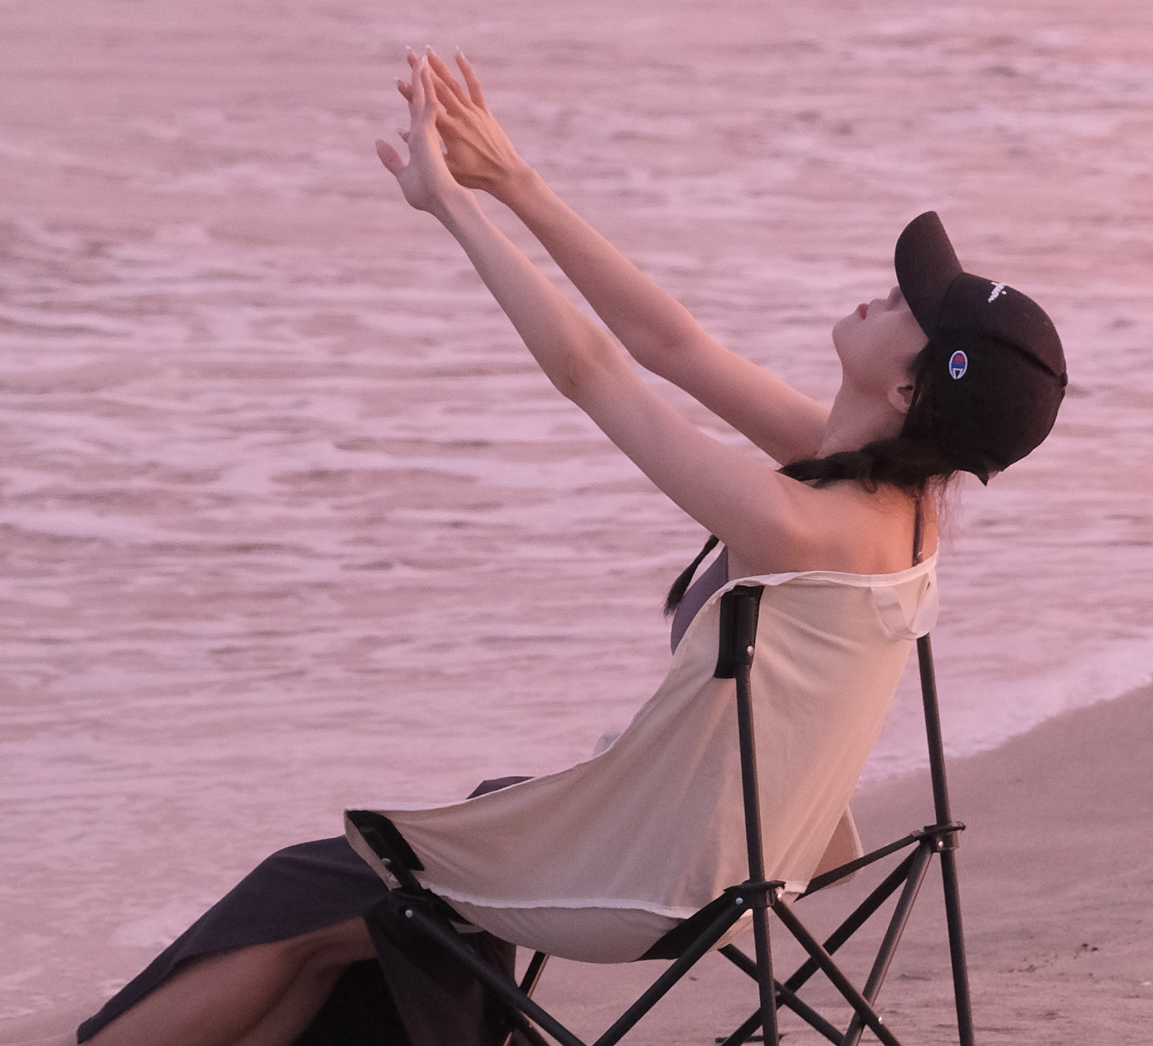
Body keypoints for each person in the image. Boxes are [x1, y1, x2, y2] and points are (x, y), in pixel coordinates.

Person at [74, 51, 1066, 1046]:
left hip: (645, 877)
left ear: (908, 391)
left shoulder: (801, 525)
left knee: (307, 890)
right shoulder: (884, 503)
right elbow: (672, 345)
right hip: (741, 855)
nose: (881, 294)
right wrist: (512, 180)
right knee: (356, 913)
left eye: (903, 309)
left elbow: (592, 371)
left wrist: (450, 208)